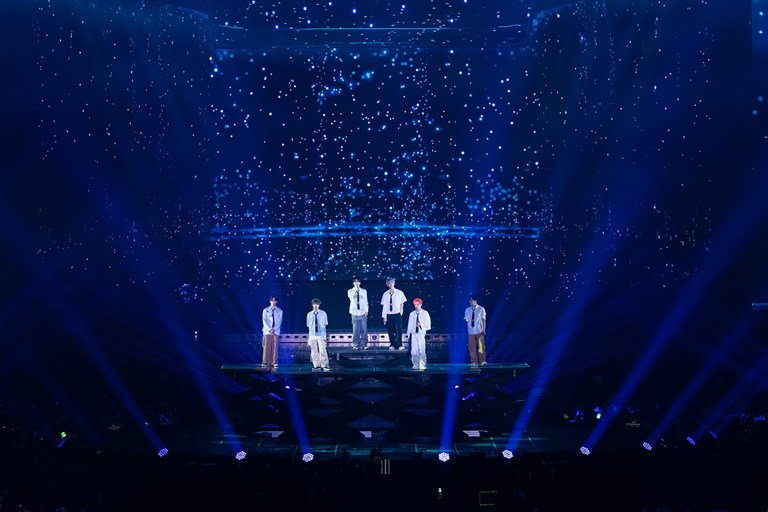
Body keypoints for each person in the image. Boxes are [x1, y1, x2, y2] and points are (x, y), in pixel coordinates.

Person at [380, 278, 407, 350]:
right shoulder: (385, 294)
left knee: (398, 330)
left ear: (394, 283)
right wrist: (384, 317)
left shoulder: (399, 292)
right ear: (387, 284)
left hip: (397, 313)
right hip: (389, 314)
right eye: (389, 283)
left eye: (392, 282)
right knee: (390, 331)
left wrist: (400, 313)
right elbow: (384, 306)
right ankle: (392, 344)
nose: (390, 284)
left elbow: (402, 303)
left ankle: (399, 345)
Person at [406, 298, 431, 370]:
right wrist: (408, 334)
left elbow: (428, 325)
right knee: (414, 351)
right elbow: (409, 324)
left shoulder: (425, 313)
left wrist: (421, 325)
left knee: (422, 350)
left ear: (421, 304)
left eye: (417, 304)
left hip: (421, 334)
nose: (416, 306)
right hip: (414, 334)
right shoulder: (412, 314)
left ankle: (423, 365)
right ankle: (415, 365)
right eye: (415, 304)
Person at [307, 298, 331, 371]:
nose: (316, 306)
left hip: (321, 334)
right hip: (312, 335)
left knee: (322, 350)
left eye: (317, 304)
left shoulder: (323, 313)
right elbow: (308, 325)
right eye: (314, 304)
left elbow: (325, 324)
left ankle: (325, 365)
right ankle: (316, 365)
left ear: (319, 305)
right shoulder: (309, 314)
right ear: (312, 305)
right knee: (314, 351)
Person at [464, 296, 487, 368]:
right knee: (471, 348)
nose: (470, 302)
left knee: (481, 346)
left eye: (471, 300)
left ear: (475, 301)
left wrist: (484, 329)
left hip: (479, 330)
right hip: (471, 331)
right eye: (470, 300)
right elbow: (466, 318)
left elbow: (483, 320)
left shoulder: (481, 309)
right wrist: (468, 320)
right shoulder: (467, 309)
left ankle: (483, 361)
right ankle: (474, 362)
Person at [347, 277, 369, 349]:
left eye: (358, 282)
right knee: (355, 329)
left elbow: (366, 301)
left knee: (364, 329)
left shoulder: (364, 291)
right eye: (355, 281)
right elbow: (351, 297)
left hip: (362, 312)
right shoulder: (350, 291)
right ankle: (355, 344)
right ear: (353, 283)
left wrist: (366, 310)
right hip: (354, 312)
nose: (357, 283)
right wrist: (355, 289)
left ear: (360, 283)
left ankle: (364, 343)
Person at [261, 295, 283, 369]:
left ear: (276, 302)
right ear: (270, 301)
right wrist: (269, 329)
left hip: (276, 331)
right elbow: (264, 320)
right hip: (267, 331)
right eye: (272, 300)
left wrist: (274, 329)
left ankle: (275, 362)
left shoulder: (280, 311)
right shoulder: (265, 310)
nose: (273, 302)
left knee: (275, 347)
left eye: (275, 300)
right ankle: (265, 362)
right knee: (266, 347)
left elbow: (279, 322)